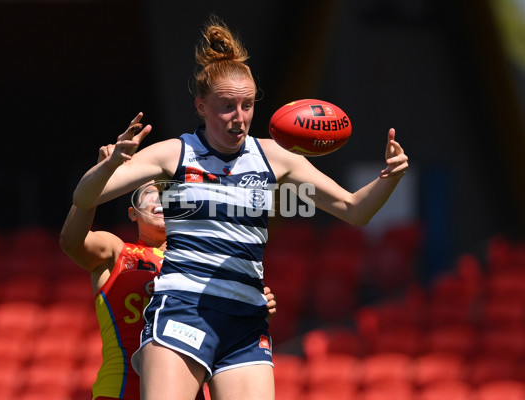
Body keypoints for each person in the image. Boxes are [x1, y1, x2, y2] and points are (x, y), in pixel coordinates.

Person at [72, 15, 409, 400]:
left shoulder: (275, 156)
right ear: (201, 105)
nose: (240, 117)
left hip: (246, 320)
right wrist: (111, 163)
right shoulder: (174, 153)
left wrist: (389, 177)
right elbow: (86, 198)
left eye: (247, 105)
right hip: (184, 306)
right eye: (227, 106)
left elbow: (354, 210)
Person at [59, 135, 278, 400]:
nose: (161, 200)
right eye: (151, 193)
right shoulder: (117, 251)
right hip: (122, 390)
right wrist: (96, 182)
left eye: (168, 194)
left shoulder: (208, 261)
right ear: (133, 213)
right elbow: (71, 242)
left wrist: (251, 303)